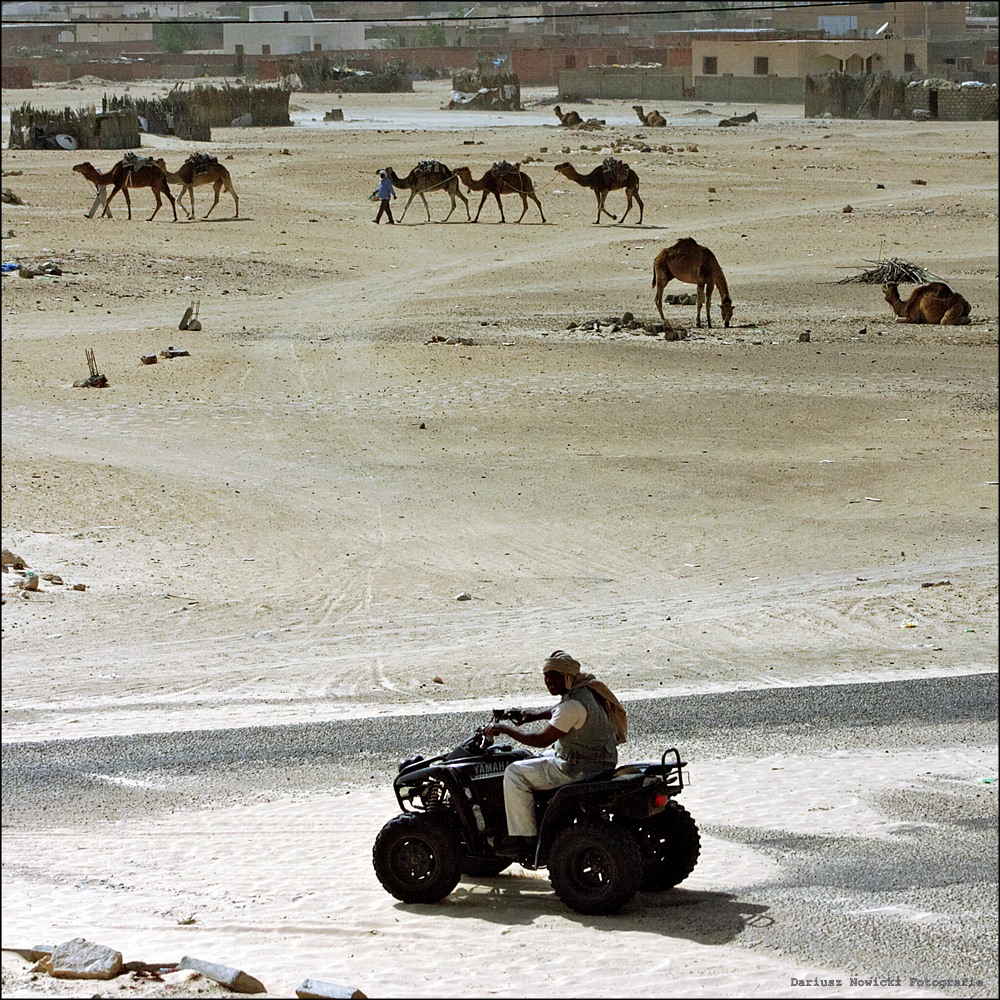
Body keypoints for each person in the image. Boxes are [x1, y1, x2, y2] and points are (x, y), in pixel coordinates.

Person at [484, 650, 628, 859]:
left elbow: (541, 739)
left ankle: (524, 838)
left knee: (514, 772)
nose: (548, 680)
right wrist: (533, 715)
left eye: (554, 676)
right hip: (601, 761)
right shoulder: (587, 690)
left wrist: (504, 729)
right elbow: (559, 711)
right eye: (546, 675)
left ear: (567, 676)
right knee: (534, 759)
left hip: (579, 769)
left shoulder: (572, 706)